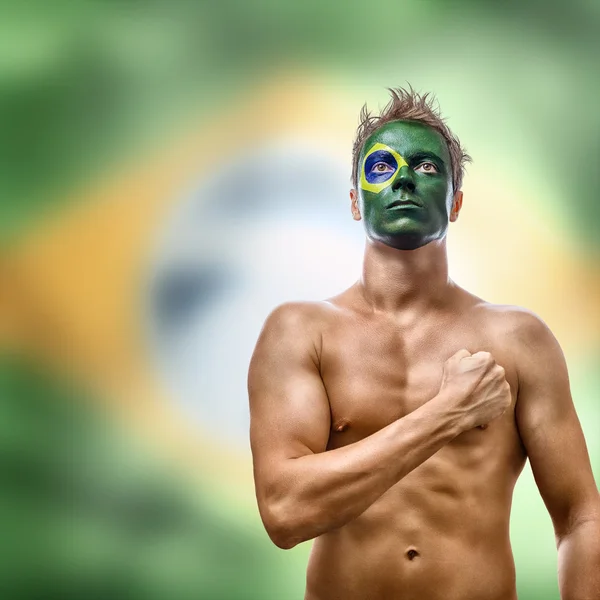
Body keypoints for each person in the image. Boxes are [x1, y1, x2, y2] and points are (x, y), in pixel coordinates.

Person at [247, 87, 600, 600]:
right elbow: (285, 513)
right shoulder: (300, 331)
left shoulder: (520, 339)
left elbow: (580, 516)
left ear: (456, 203)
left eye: (428, 167)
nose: (405, 179)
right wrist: (448, 413)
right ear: (354, 200)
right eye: (382, 167)